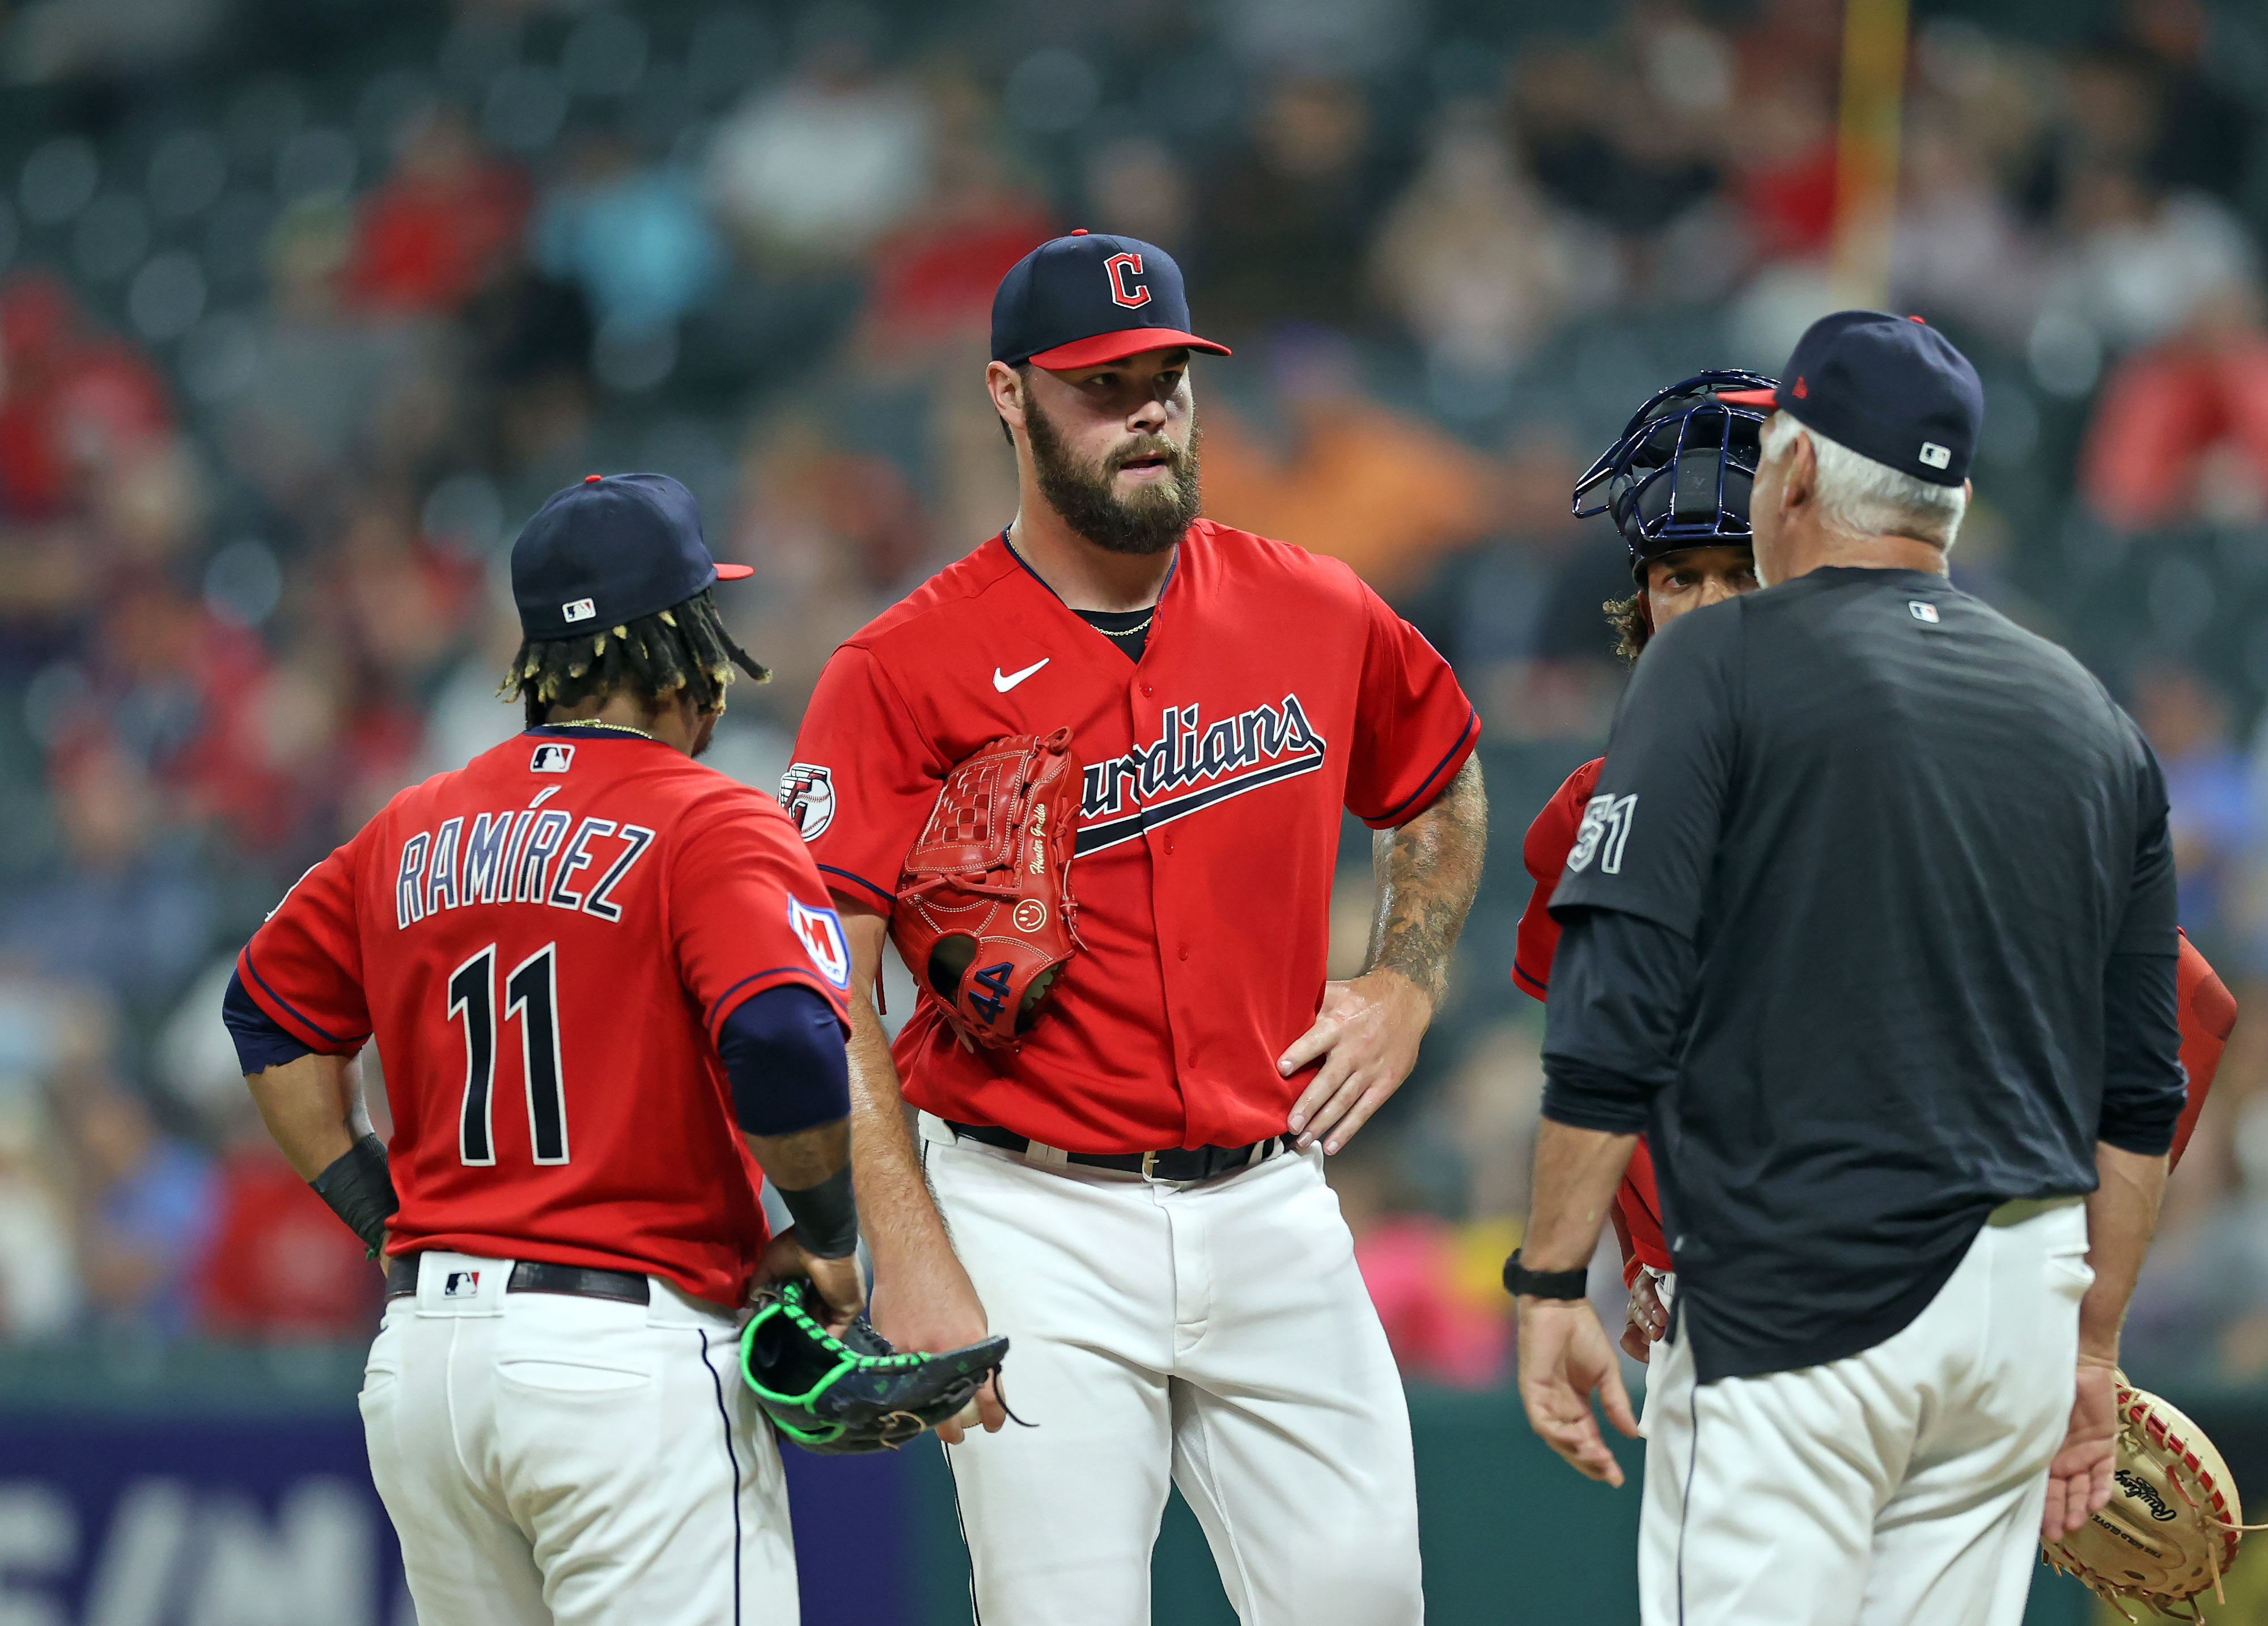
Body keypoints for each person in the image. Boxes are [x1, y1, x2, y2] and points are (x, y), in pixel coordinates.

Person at [785, 230, 1486, 1626]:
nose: (1148, 408)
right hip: (1024, 1205)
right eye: (1103, 385)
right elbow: (823, 986)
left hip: (1270, 1195)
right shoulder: (898, 671)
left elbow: (1442, 778)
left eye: (1166, 374)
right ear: (1007, 394)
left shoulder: (1311, 604)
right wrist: (909, 1246)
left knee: (1365, 1603)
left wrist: (1406, 982)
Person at [1508, 311, 2189, 1626]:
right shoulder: (2084, 715)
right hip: (2015, 1314)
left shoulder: (1714, 670)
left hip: (1801, 1290)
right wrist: (2091, 1343)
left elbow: (1612, 1024)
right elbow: (2143, 1089)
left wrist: (1548, 1279)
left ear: (1799, 476)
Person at [221, 474, 861, 1626]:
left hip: (426, 1370)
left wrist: (387, 1219)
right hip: (621, 1361)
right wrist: (826, 1237)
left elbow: (266, 1014)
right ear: (685, 650)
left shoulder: (412, 823)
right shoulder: (709, 816)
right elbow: (779, 1033)